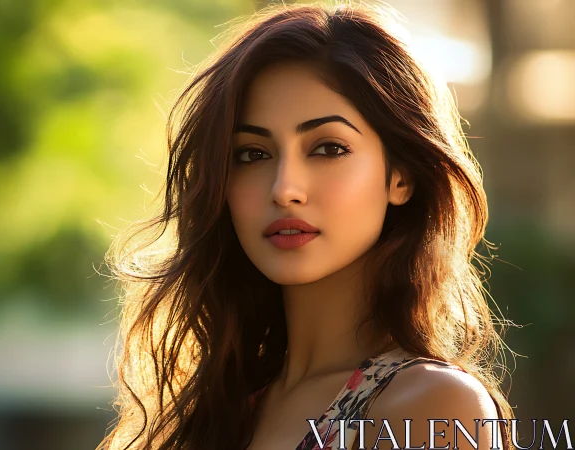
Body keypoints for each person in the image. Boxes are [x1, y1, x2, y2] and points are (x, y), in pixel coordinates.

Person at [97, 2, 516, 450]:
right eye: (252, 154)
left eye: (328, 148)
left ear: (401, 176)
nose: (284, 188)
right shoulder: (214, 409)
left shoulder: (431, 406)